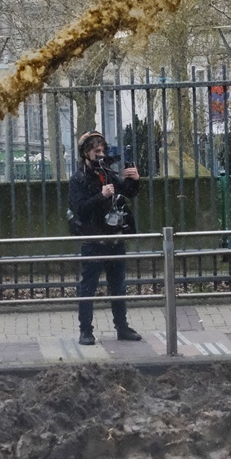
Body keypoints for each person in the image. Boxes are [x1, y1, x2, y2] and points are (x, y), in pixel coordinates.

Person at [68, 131, 143, 346]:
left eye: (103, 150)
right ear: (85, 153)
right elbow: (80, 208)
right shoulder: (78, 178)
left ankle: (122, 327)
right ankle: (86, 331)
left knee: (118, 286)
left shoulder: (108, 173)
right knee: (88, 287)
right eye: (96, 151)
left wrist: (135, 180)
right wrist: (101, 195)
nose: (101, 155)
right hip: (93, 240)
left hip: (114, 239)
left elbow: (127, 192)